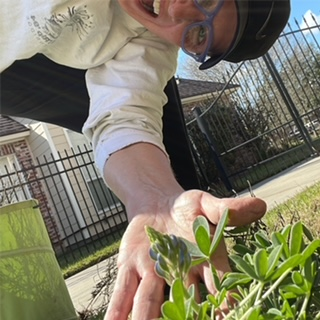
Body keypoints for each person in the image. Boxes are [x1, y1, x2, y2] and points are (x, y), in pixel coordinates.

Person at [0, 0, 290, 319]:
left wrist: (153, 200)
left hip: (20, 70)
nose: (177, 14)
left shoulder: (149, 38)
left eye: (196, 35)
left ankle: (182, 290)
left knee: (170, 187)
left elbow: (125, 117)